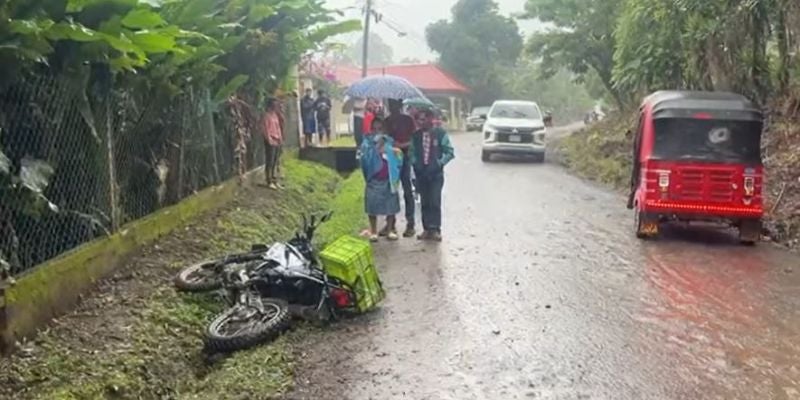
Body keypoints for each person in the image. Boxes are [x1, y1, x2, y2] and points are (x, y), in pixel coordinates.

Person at [409, 109, 455, 241]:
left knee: (434, 200)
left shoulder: (440, 134)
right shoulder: (416, 136)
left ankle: (435, 228)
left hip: (435, 173)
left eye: (423, 119)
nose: (421, 122)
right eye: (418, 120)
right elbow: (411, 152)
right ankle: (426, 228)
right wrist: (415, 162)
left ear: (430, 119)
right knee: (424, 201)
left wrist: (440, 163)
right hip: (421, 172)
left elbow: (449, 152)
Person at [360, 118, 403, 242]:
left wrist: (391, 151)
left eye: (380, 128)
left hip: (388, 179)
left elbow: (399, 158)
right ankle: (373, 231)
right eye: (374, 129)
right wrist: (376, 148)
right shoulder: (367, 143)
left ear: (384, 129)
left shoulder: (389, 141)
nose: (377, 131)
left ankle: (390, 229)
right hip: (374, 180)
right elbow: (364, 160)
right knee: (372, 205)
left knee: (391, 205)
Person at [384, 98, 417, 237]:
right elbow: (384, 139)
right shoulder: (387, 121)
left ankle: (410, 224)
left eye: (395, 104)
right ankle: (390, 223)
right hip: (391, 158)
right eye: (390, 104)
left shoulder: (408, 120)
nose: (393, 107)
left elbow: (414, 139)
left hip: (405, 156)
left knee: (407, 189)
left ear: (400, 105)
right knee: (390, 189)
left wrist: (402, 145)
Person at [261, 98, 284, 190]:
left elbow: (278, 127)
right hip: (270, 140)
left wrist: (280, 137)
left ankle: (275, 180)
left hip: (277, 140)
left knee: (275, 161)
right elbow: (265, 129)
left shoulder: (275, 115)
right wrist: (269, 139)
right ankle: (269, 180)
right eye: (274, 105)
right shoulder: (266, 116)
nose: (276, 106)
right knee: (269, 161)